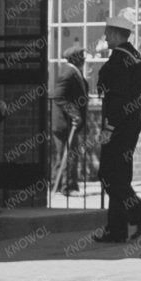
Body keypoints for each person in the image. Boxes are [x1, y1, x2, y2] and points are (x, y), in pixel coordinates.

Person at [93, 8, 141, 243]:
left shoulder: (118, 61)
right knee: (120, 176)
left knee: (109, 174)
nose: (105, 38)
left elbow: (116, 99)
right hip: (130, 124)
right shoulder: (133, 56)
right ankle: (116, 229)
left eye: (107, 34)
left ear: (117, 34)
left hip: (118, 126)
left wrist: (109, 128)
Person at [50, 46, 89, 195]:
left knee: (65, 155)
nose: (84, 60)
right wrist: (74, 114)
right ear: (75, 58)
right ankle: (68, 187)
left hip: (69, 123)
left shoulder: (74, 72)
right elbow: (58, 97)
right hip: (64, 123)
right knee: (68, 155)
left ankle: (59, 185)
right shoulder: (68, 72)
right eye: (82, 56)